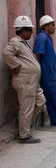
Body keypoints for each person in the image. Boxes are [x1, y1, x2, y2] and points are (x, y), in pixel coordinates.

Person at [2, 15, 46, 143]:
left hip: (32, 81)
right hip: (25, 81)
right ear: (24, 30)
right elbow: (6, 53)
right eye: (30, 30)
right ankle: (24, 135)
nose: (32, 33)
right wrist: (15, 66)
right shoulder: (15, 42)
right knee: (26, 107)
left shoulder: (23, 43)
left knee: (40, 101)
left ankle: (23, 124)